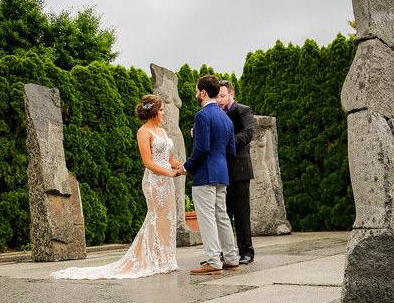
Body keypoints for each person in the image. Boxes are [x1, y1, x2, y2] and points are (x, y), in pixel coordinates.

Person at [51, 95, 181, 280]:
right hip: (154, 182)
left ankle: (166, 260)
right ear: (153, 112)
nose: (163, 113)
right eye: (161, 110)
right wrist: (169, 173)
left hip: (167, 183)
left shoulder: (163, 132)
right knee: (155, 218)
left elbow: (169, 159)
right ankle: (151, 259)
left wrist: (181, 167)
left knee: (167, 219)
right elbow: (148, 162)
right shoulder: (143, 132)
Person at [177, 75, 239, 274]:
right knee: (222, 216)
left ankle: (213, 260)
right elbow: (232, 151)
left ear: (203, 92)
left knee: (207, 218)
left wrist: (185, 168)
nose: (196, 93)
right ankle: (231, 257)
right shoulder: (225, 118)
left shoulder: (202, 116)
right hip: (222, 173)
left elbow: (202, 149)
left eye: (197, 90)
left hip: (205, 174)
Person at [217, 80, 255, 264]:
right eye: (217, 96)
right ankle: (226, 252)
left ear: (231, 94)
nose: (220, 100)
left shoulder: (243, 110)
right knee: (224, 213)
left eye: (223, 96)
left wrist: (226, 140)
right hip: (221, 170)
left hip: (239, 170)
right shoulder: (215, 112)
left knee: (241, 213)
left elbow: (248, 134)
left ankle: (246, 252)